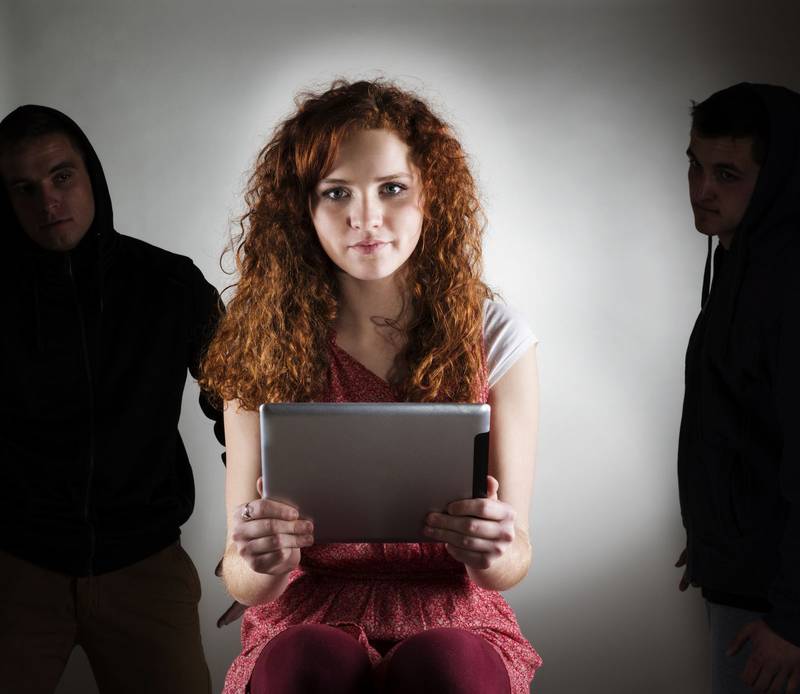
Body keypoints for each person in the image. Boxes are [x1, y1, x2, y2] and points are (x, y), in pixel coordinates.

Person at [200, 80, 542, 693]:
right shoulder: (261, 341)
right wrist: (258, 559)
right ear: (302, 209)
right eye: (337, 193)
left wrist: (493, 548)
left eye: (392, 188)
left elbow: (512, 560)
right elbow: (243, 577)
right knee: (306, 662)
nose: (366, 219)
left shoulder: (495, 336)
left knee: (448, 669)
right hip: (307, 613)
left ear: (430, 194)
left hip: (455, 615)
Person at [0, 106, 221, 693]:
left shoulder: (170, 285)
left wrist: (258, 525)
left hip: (145, 564)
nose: (48, 202)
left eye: (61, 176)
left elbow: (243, 405)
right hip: (16, 567)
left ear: (90, 175)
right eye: (24, 189)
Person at [676, 83, 800, 693]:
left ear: (775, 179)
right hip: (743, 576)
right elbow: (738, 420)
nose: (702, 189)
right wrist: (712, 533)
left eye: (727, 173)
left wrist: (793, 621)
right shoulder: (739, 262)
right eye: (695, 165)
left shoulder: (788, 283)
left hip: (774, 607)